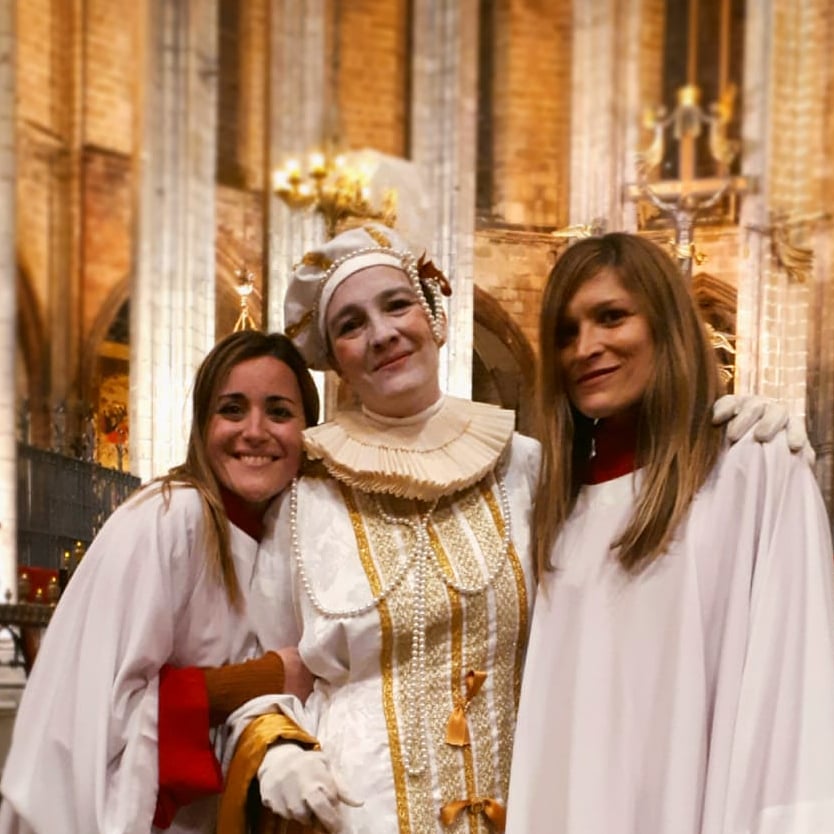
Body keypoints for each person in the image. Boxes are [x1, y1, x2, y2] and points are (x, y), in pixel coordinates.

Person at [216, 223, 805, 834]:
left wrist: (732, 422)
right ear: (332, 355)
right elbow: (252, 662)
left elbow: (625, 581)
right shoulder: (302, 498)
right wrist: (279, 749)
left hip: (530, 808)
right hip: (355, 815)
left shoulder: (530, 467)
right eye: (350, 324)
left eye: (397, 306)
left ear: (435, 315)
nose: (383, 334)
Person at [505, 232, 834, 834]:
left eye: (611, 317)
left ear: (668, 325)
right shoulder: (554, 508)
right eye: (565, 332)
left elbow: (792, 697)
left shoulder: (753, 471)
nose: (586, 347)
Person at [0, 330, 320, 834]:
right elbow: (107, 722)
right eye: (232, 409)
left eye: (279, 411)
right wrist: (267, 678)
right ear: (201, 425)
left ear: (309, 431)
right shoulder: (172, 517)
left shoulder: (283, 538)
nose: (255, 430)